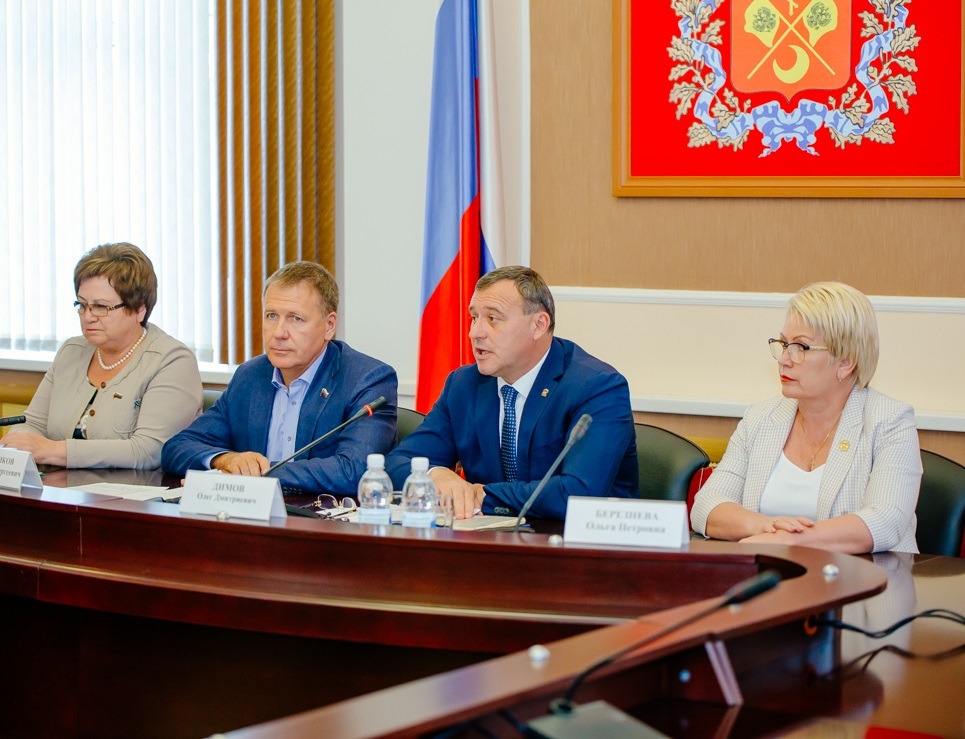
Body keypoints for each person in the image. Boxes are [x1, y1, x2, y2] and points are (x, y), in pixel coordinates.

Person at [385, 266, 637, 520]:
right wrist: (435, 475)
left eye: (493, 319)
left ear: (538, 325)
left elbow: (578, 493)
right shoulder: (463, 385)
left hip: (578, 540)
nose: (475, 332)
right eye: (474, 318)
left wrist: (483, 496)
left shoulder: (597, 387)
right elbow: (397, 463)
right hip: (490, 539)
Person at [690, 282, 922, 553]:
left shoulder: (890, 421)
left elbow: (885, 520)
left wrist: (792, 539)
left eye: (800, 347)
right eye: (783, 344)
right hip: (770, 576)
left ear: (845, 362)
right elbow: (706, 506)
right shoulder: (760, 418)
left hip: (867, 578)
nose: (784, 360)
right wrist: (768, 526)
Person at [161, 261, 397, 494]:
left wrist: (255, 474)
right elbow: (177, 448)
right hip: (249, 514)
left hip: (319, 517)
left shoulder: (367, 380)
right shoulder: (250, 376)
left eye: (296, 318)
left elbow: (354, 470)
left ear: (329, 325)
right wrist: (225, 460)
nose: (279, 332)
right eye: (272, 315)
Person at [3, 243, 203, 469]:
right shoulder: (71, 351)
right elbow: (31, 424)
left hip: (135, 491)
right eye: (82, 304)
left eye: (101, 307)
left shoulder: (172, 361)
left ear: (140, 309)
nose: (88, 316)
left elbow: (149, 451)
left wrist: (53, 451)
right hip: (59, 485)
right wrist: (17, 444)